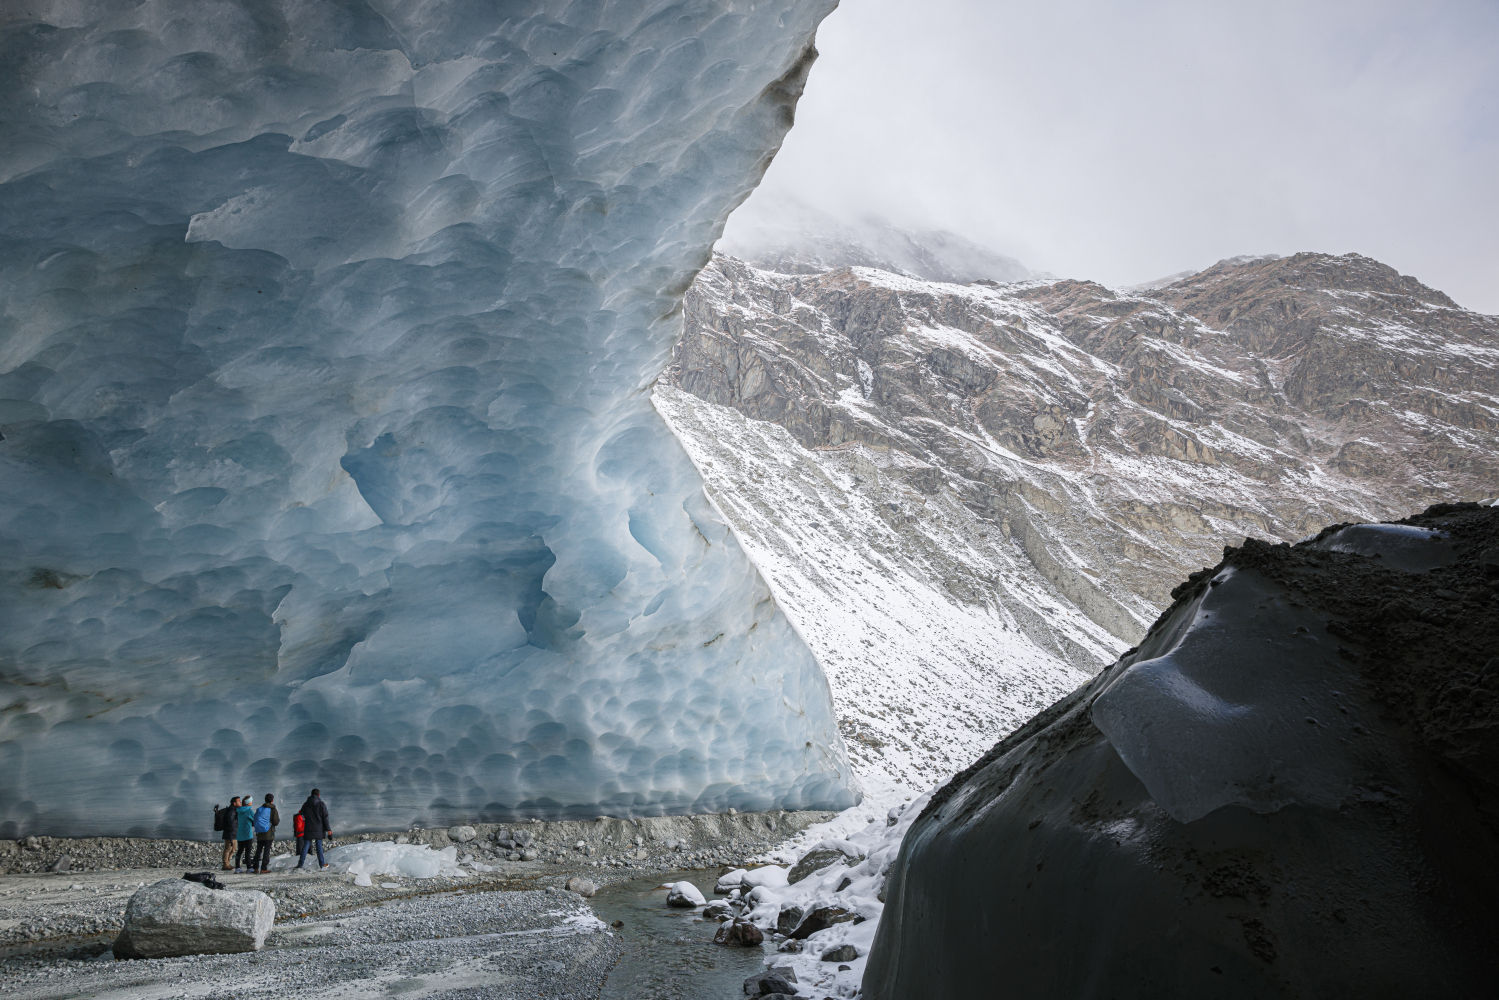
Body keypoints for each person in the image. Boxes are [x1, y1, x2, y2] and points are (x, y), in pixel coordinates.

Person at [296, 788, 332, 870]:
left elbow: (301, 813)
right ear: (318, 795)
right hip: (319, 828)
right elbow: (325, 818)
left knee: (306, 846)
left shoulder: (306, 804)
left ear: (311, 794)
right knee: (319, 846)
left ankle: (300, 864)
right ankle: (322, 864)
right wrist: (328, 829)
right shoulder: (321, 804)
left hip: (308, 828)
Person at [252, 794, 279, 874]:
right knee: (266, 851)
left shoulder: (259, 809)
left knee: (258, 850)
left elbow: (255, 819)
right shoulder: (273, 809)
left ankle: (255, 868)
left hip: (259, 833)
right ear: (272, 800)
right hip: (268, 833)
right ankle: (263, 868)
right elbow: (275, 821)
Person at [233, 794, 256, 873]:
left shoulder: (239, 811)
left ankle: (237, 868)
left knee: (239, 851)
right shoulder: (249, 810)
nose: (252, 802)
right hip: (248, 834)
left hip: (240, 834)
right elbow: (255, 819)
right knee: (248, 852)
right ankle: (249, 868)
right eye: (251, 801)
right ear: (248, 803)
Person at [218, 797, 240, 871]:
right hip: (230, 834)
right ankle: (225, 864)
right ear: (234, 803)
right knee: (228, 849)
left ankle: (227, 863)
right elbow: (230, 823)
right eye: (239, 801)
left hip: (233, 833)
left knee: (234, 849)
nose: (240, 802)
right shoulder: (231, 811)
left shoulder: (234, 810)